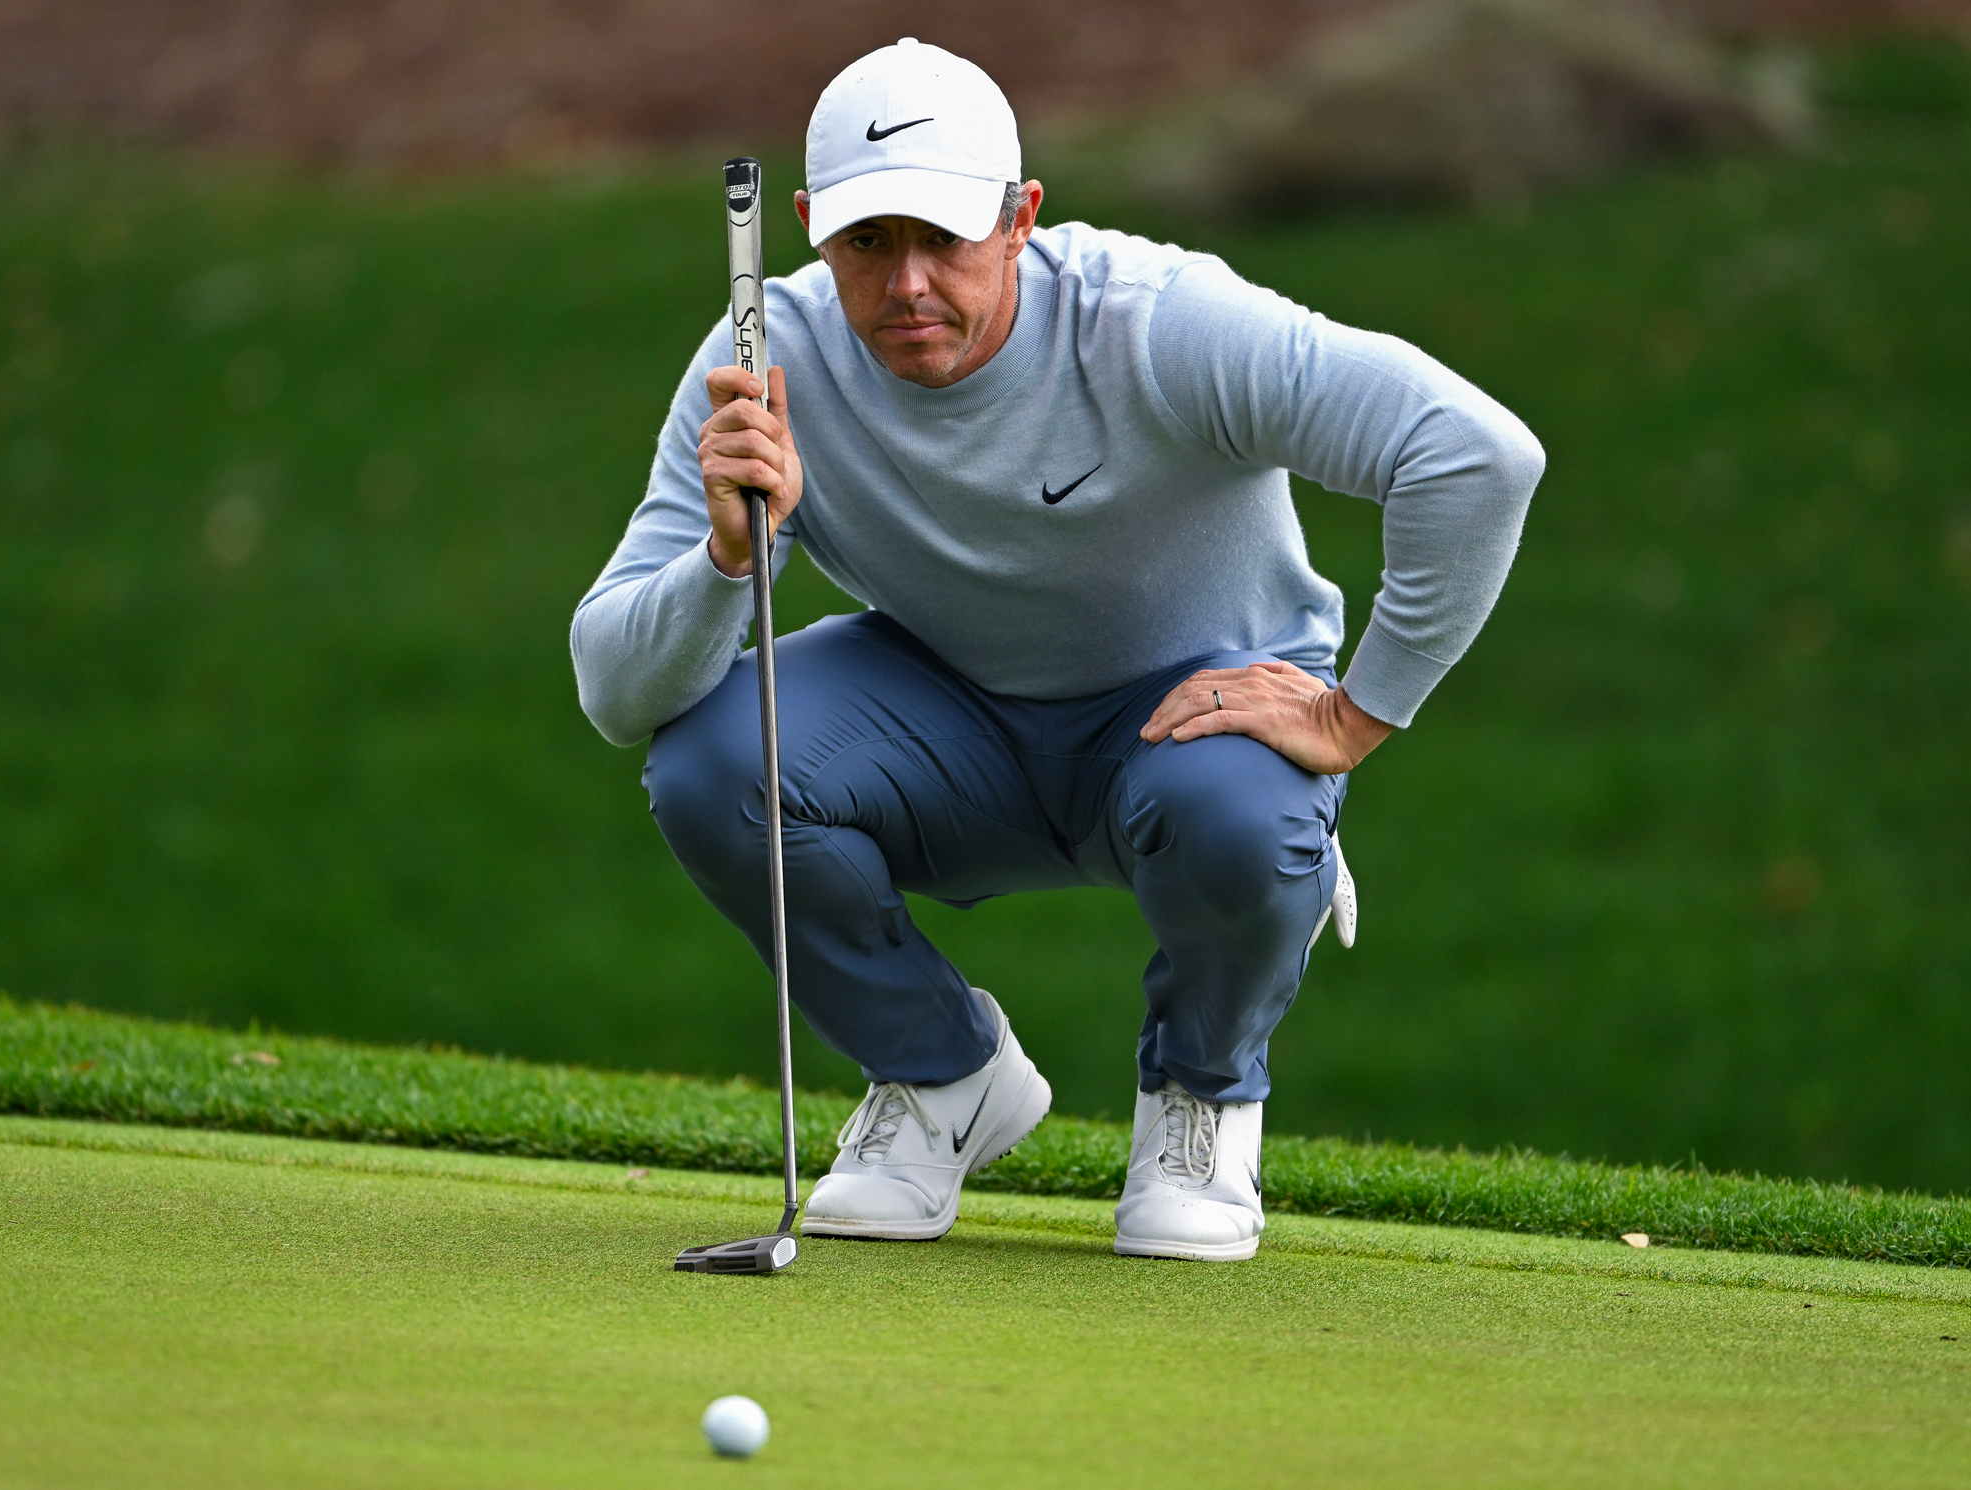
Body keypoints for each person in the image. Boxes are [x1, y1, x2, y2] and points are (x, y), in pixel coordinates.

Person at [572, 39, 1542, 1261]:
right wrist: (729, 561)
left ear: (1021, 216)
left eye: (947, 237)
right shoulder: (769, 366)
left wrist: (1357, 714)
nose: (909, 283)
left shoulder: (1158, 323)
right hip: (951, 716)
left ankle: (1201, 1095)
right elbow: (614, 690)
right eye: (870, 243)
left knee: (1241, 812)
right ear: (812, 228)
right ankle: (940, 1076)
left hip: (1191, 722)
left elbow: (1476, 454)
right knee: (712, 758)